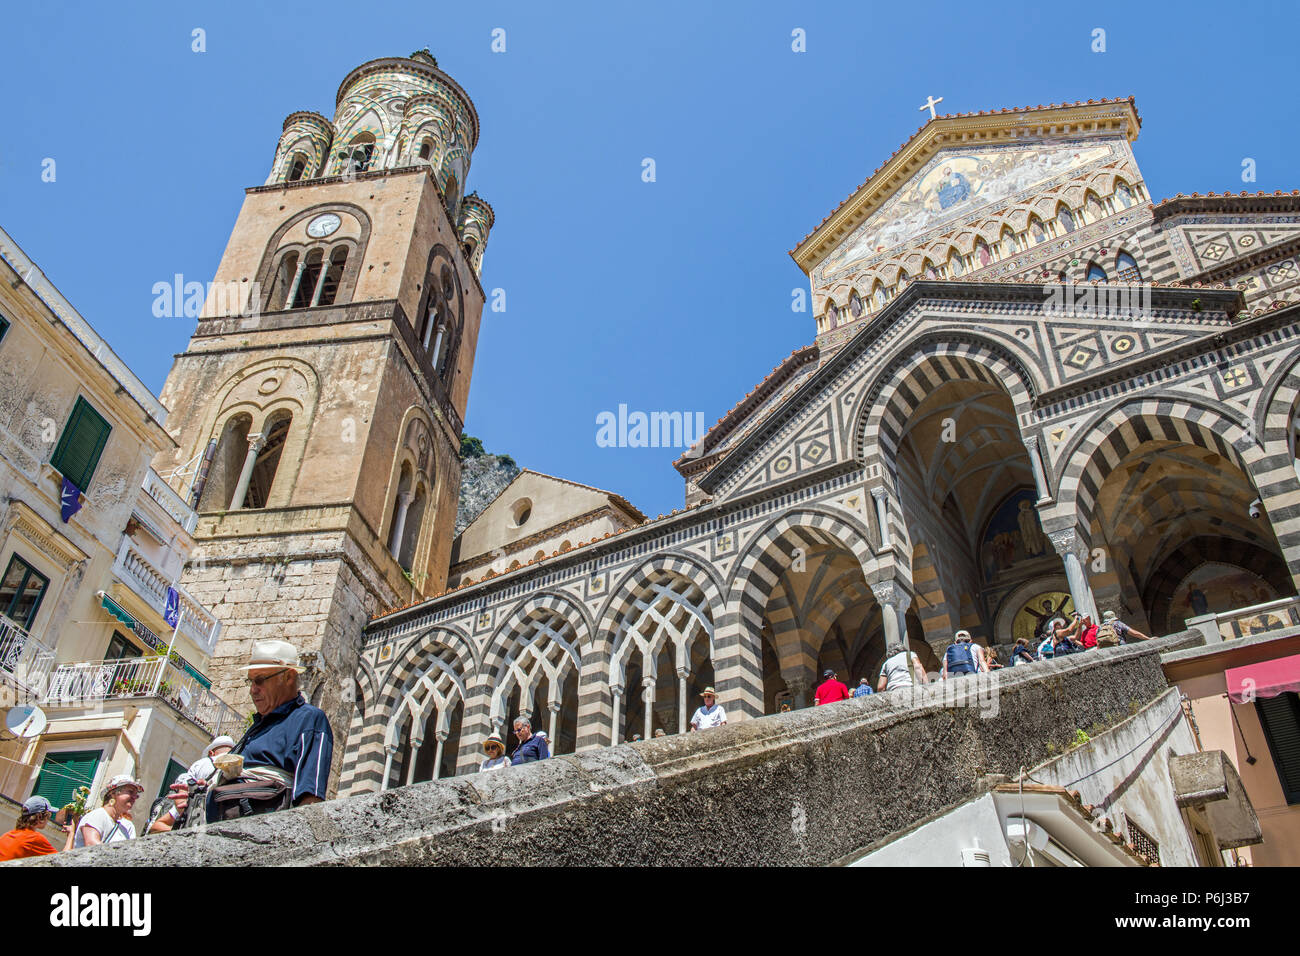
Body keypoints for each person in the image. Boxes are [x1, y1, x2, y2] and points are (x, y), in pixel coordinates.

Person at [169, 639, 334, 825]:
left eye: (260, 680)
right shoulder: (258, 727)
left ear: (288, 678)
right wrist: (204, 792)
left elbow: (310, 799)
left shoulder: (309, 719)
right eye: (251, 681)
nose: (253, 690)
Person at [150, 734, 239, 832]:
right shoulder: (239, 768)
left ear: (211, 753)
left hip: (193, 811)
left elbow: (184, 789)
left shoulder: (202, 763)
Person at [74, 774, 142, 847]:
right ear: (113, 793)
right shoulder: (98, 816)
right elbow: (91, 845)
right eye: (130, 792)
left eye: (136, 795)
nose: (134, 797)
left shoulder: (124, 828)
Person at [0, 796, 75, 860]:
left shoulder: (6, 836)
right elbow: (63, 860)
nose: (48, 819)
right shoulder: (34, 839)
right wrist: (71, 834)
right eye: (49, 815)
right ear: (40, 817)